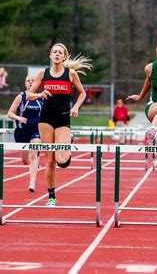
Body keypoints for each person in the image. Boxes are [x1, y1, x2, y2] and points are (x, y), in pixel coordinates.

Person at [27, 43, 91, 206]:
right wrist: (40, 94)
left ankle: (66, 146)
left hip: (63, 119)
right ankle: (51, 197)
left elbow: (83, 93)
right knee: (50, 161)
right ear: (50, 55)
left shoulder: (71, 74)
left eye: (60, 52)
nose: (56, 54)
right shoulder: (43, 73)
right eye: (54, 52)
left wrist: (76, 106)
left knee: (62, 160)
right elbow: (28, 95)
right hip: (46, 119)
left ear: (64, 57)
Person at [7, 75, 43, 192]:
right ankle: (34, 160)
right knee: (25, 160)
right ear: (25, 83)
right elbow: (10, 113)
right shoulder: (20, 97)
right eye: (28, 81)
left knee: (33, 155)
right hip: (21, 131)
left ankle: (32, 183)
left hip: (35, 130)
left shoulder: (41, 97)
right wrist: (18, 118)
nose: (31, 82)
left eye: (33, 81)